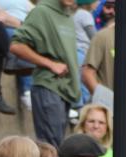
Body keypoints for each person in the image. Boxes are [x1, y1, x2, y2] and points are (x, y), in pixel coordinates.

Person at [9, 0, 81, 147]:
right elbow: (16, 46)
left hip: (65, 91)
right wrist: (50, 64)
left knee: (56, 148)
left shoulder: (68, 16)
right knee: (50, 148)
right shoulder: (41, 11)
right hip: (48, 86)